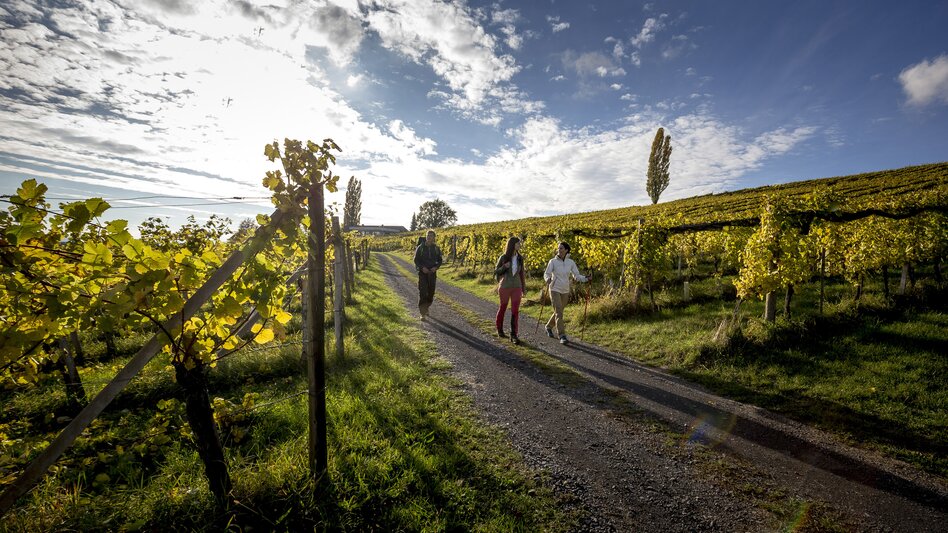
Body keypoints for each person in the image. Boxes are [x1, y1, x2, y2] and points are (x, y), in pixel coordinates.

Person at [543, 241, 589, 344]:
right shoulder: (553, 261)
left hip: (565, 290)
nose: (559, 250)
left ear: (566, 250)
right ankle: (562, 335)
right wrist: (548, 279)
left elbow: (576, 275)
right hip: (554, 289)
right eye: (558, 248)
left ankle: (548, 326)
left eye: (561, 248)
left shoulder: (570, 262)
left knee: (559, 312)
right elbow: (547, 273)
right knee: (559, 312)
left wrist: (586, 278)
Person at [494, 236, 527, 345]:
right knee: (503, 307)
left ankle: (514, 335)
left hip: (516, 286)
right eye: (518, 243)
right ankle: (499, 329)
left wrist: (523, 288)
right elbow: (496, 272)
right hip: (505, 286)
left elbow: (522, 274)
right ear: (513, 244)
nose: (519, 245)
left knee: (515, 311)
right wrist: (504, 267)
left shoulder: (520, 258)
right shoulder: (503, 257)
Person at [413, 230, 442, 319]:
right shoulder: (420, 247)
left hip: (432, 274)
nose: (429, 237)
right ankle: (422, 313)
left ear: (434, 238)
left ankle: (426, 307)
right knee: (423, 292)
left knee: (431, 293)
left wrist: (435, 267)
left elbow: (440, 260)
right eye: (427, 236)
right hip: (422, 273)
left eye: (431, 236)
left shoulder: (436, 248)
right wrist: (422, 268)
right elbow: (416, 260)